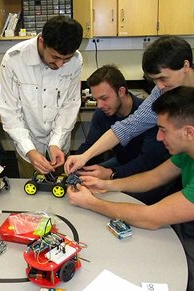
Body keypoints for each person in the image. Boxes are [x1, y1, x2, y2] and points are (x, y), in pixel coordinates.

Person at [67, 86, 194, 291]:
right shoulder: (187, 150)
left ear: (188, 132)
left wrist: (92, 203)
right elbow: (155, 177)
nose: (159, 138)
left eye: (163, 130)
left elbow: (151, 217)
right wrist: (106, 184)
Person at [65, 35, 194, 175]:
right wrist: (84, 156)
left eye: (163, 78)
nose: (160, 86)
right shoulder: (162, 91)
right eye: (155, 81)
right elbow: (128, 126)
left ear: (185, 66)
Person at [0, 15, 83, 178]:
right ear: (42, 41)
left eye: (66, 59)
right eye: (55, 57)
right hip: (28, 145)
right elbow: (10, 112)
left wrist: (56, 142)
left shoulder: (76, 61)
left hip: (59, 147)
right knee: (31, 195)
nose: (60, 65)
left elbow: (70, 106)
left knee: (60, 193)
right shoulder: (13, 60)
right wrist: (29, 150)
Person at [75, 64, 173, 204]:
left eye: (104, 98)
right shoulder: (102, 113)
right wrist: (78, 162)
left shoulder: (150, 114)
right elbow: (91, 145)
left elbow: (148, 162)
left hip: (148, 168)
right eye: (96, 99)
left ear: (121, 91)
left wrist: (111, 174)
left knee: (117, 198)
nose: (99, 105)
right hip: (121, 161)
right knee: (86, 176)